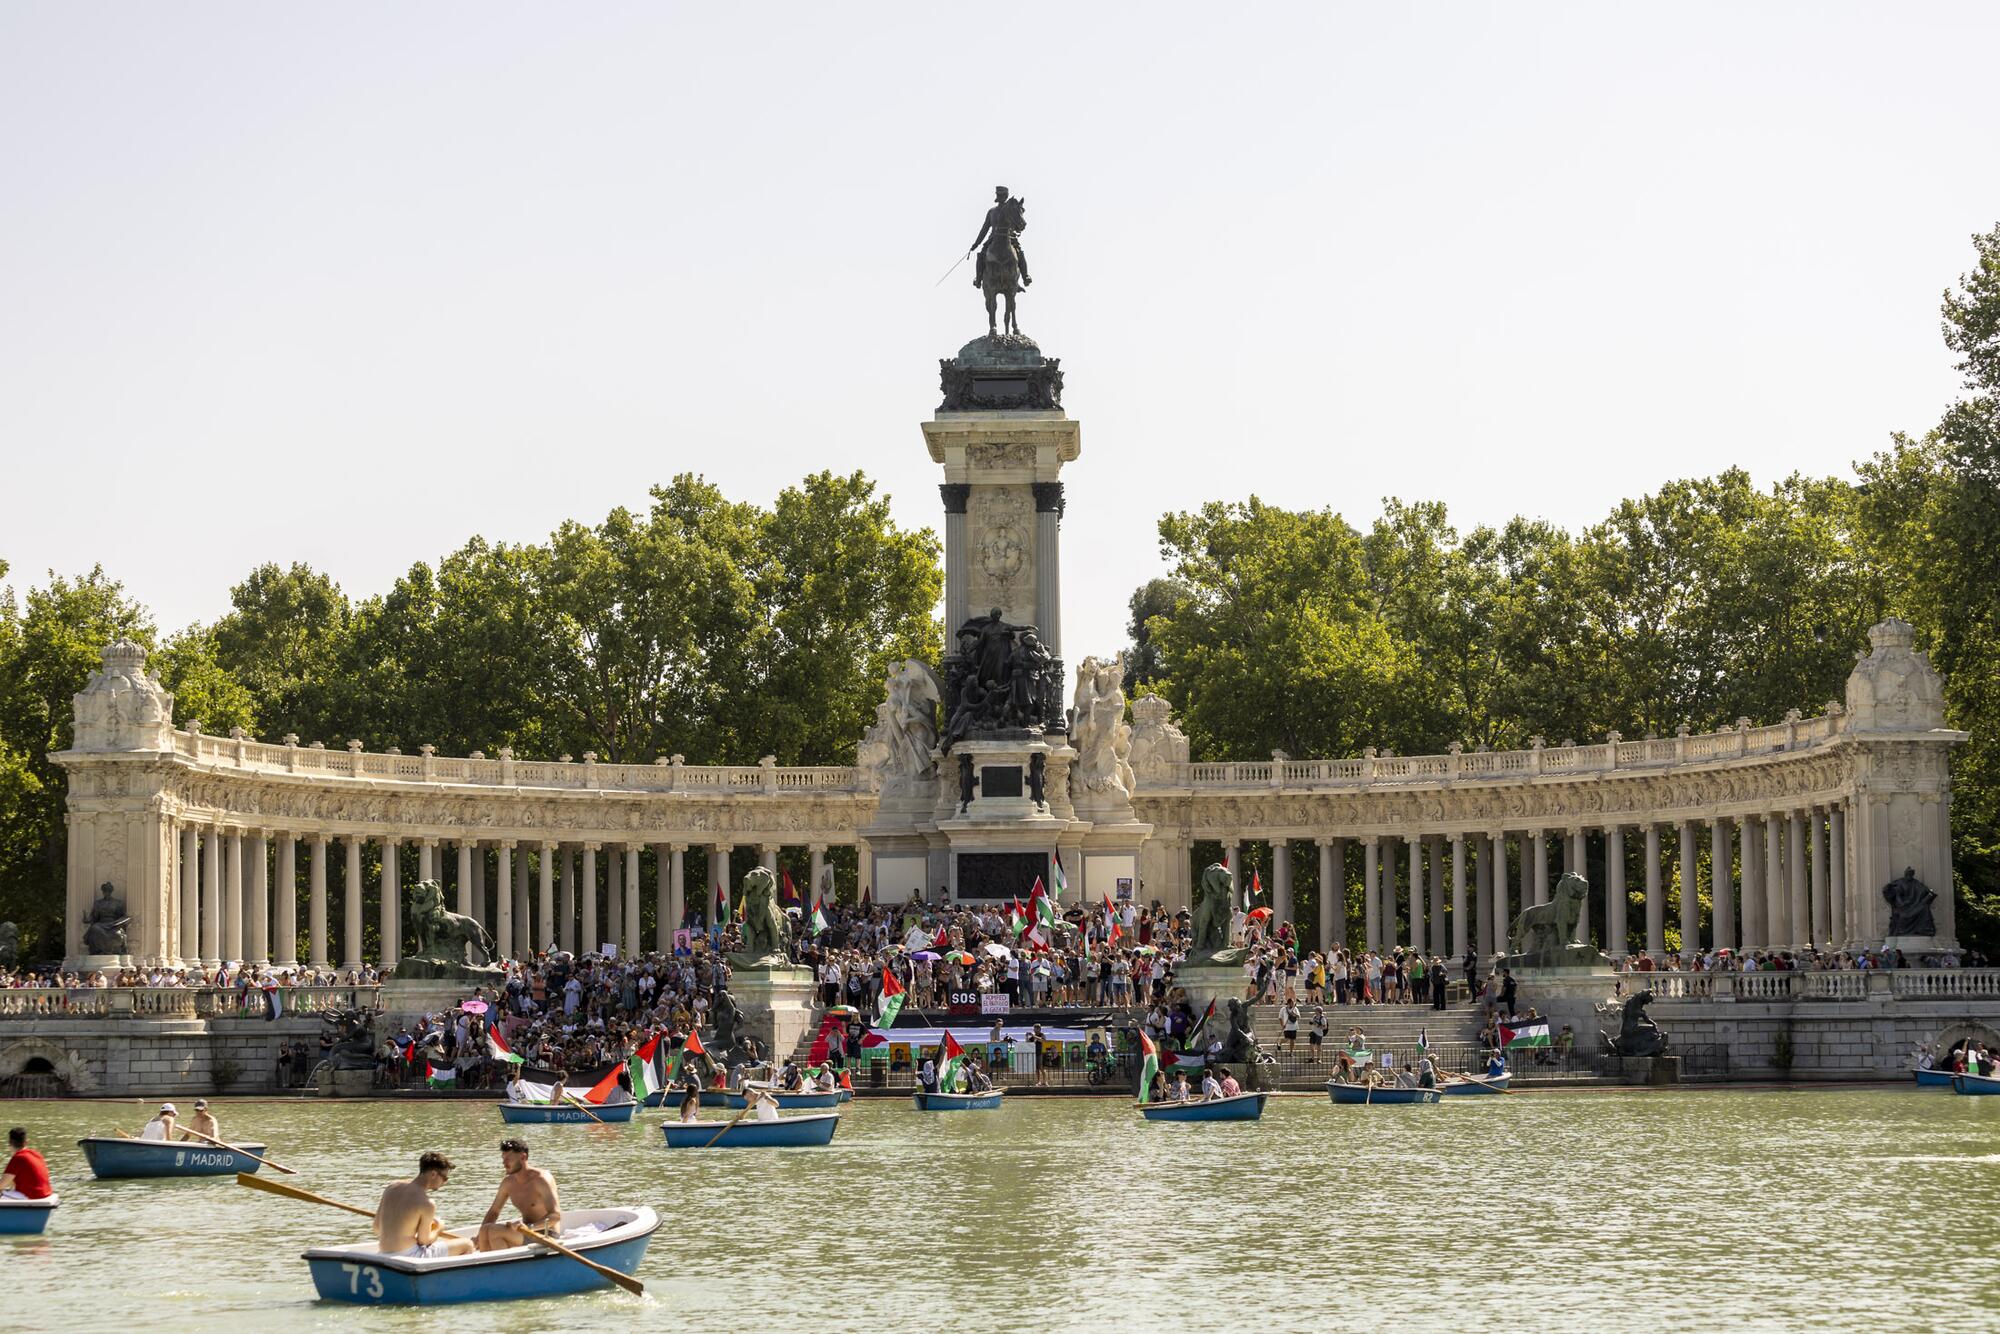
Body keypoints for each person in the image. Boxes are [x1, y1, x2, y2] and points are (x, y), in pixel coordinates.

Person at [374, 1151, 474, 1258]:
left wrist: (412, 1228)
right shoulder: (427, 1203)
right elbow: (424, 1241)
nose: (444, 1182)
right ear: (433, 1174)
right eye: (444, 1178)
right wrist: (439, 1228)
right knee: (467, 1244)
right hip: (410, 1256)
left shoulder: (391, 1188)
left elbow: (376, 1227)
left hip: (383, 1253)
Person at [476, 1138, 561, 1252]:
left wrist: (530, 1228)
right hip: (523, 1232)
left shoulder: (541, 1179)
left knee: (494, 1232)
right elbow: (494, 1212)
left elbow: (555, 1216)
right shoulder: (508, 1182)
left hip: (546, 1233)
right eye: (503, 1158)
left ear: (523, 1157)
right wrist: (478, 1238)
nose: (504, 1163)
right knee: (484, 1230)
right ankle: (489, 1267)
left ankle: (503, 1266)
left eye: (509, 1159)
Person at [1, 1128, 52, 1201]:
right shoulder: (37, 1155)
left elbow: (2, 1184)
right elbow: (11, 1182)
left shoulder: (18, 1158)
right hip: (45, 1194)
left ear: (9, 1143)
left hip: (33, 1197)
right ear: (26, 1142)